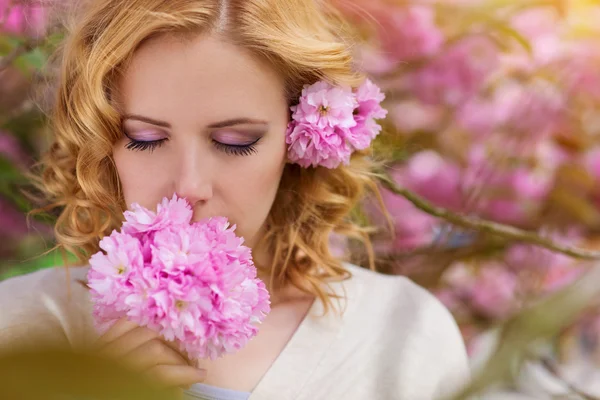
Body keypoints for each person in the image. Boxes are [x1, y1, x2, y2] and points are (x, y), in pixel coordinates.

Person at [0, 0, 471, 399]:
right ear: (103, 142)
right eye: (144, 138)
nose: (189, 185)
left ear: (299, 141)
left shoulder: (403, 334)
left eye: (234, 142)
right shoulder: (18, 326)